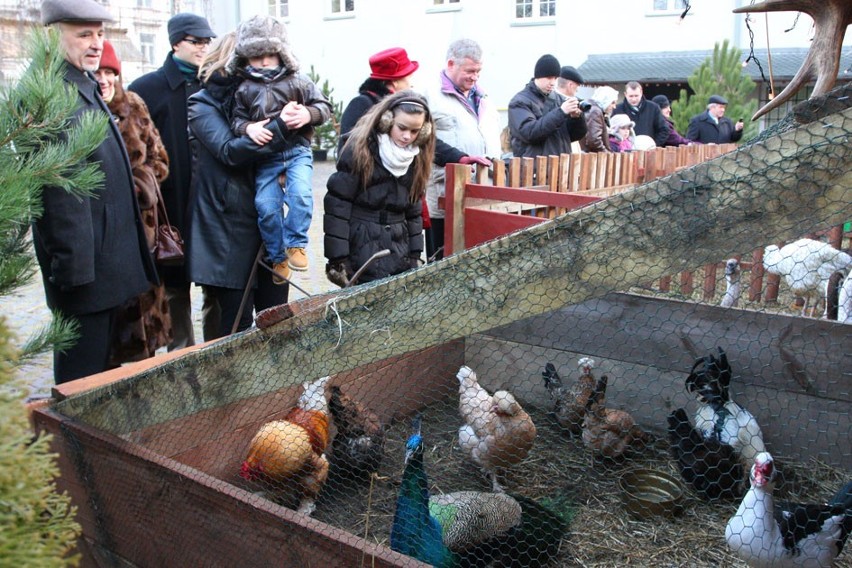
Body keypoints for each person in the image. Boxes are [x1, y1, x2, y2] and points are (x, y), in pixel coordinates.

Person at [36, 0, 157, 383]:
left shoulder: (81, 85)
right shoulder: (54, 97)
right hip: (84, 278)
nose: (95, 43)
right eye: (84, 34)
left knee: (97, 378)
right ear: (53, 36)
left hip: (103, 268)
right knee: (79, 385)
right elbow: (61, 199)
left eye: (100, 34)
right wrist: (75, 278)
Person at [186, 31, 289, 339]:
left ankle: (276, 389)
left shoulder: (263, 99)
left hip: (266, 224)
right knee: (233, 333)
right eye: (249, 60)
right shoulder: (202, 104)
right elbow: (230, 151)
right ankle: (226, 389)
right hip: (225, 231)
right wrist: (281, 127)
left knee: (277, 326)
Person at [129, 12, 217, 350]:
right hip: (170, 206)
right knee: (176, 288)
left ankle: (218, 356)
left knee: (216, 286)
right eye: (196, 41)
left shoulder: (216, 83)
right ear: (176, 42)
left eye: (207, 41)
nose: (203, 47)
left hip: (211, 206)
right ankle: (182, 361)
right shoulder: (146, 90)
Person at [227, 15, 332, 279]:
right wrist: (248, 128)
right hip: (266, 159)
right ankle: (277, 258)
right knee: (266, 207)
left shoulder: (298, 80)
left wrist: (308, 114)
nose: (264, 62)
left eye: (270, 55)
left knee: (300, 195)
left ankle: (296, 244)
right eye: (256, 56)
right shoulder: (244, 88)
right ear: (244, 57)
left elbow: (324, 107)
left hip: (297, 151)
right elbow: (236, 119)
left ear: (281, 53)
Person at [95, 40, 172, 363]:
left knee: (145, 312)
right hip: (106, 234)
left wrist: (140, 183)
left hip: (144, 231)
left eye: (109, 71)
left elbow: (160, 160)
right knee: (111, 328)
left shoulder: (134, 105)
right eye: (98, 72)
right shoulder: (86, 110)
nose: (104, 79)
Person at [324, 91, 436, 286]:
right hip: (361, 245)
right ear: (387, 120)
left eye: (415, 131)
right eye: (402, 128)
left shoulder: (416, 157)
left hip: (398, 246)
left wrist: (415, 254)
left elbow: (413, 211)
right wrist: (339, 259)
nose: (407, 136)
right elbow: (337, 205)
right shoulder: (360, 150)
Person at [423, 38, 501, 261]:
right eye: (470, 71)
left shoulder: (484, 98)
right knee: (442, 261)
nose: (475, 77)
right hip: (444, 195)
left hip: (482, 194)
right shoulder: (430, 96)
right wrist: (460, 158)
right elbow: (424, 140)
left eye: (479, 71)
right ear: (451, 64)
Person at [338, 47, 420, 155]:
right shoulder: (361, 104)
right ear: (395, 82)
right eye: (410, 78)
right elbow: (348, 150)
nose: (412, 84)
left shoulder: (403, 106)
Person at [508, 54, 587, 159]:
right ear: (538, 76)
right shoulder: (519, 101)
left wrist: (576, 118)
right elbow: (530, 133)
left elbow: (573, 136)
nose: (553, 83)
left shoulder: (560, 100)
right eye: (549, 78)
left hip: (560, 167)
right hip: (533, 169)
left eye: (555, 78)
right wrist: (561, 112)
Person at [612, 81, 670, 148]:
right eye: (631, 96)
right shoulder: (617, 109)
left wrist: (654, 145)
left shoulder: (653, 108)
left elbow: (664, 130)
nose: (634, 99)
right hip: (624, 151)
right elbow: (613, 131)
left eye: (636, 96)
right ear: (625, 94)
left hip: (649, 151)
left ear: (641, 93)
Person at [581, 85, 619, 153]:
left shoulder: (594, 110)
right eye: (612, 102)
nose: (614, 107)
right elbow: (594, 140)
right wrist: (606, 153)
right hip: (593, 157)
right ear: (605, 100)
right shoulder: (595, 111)